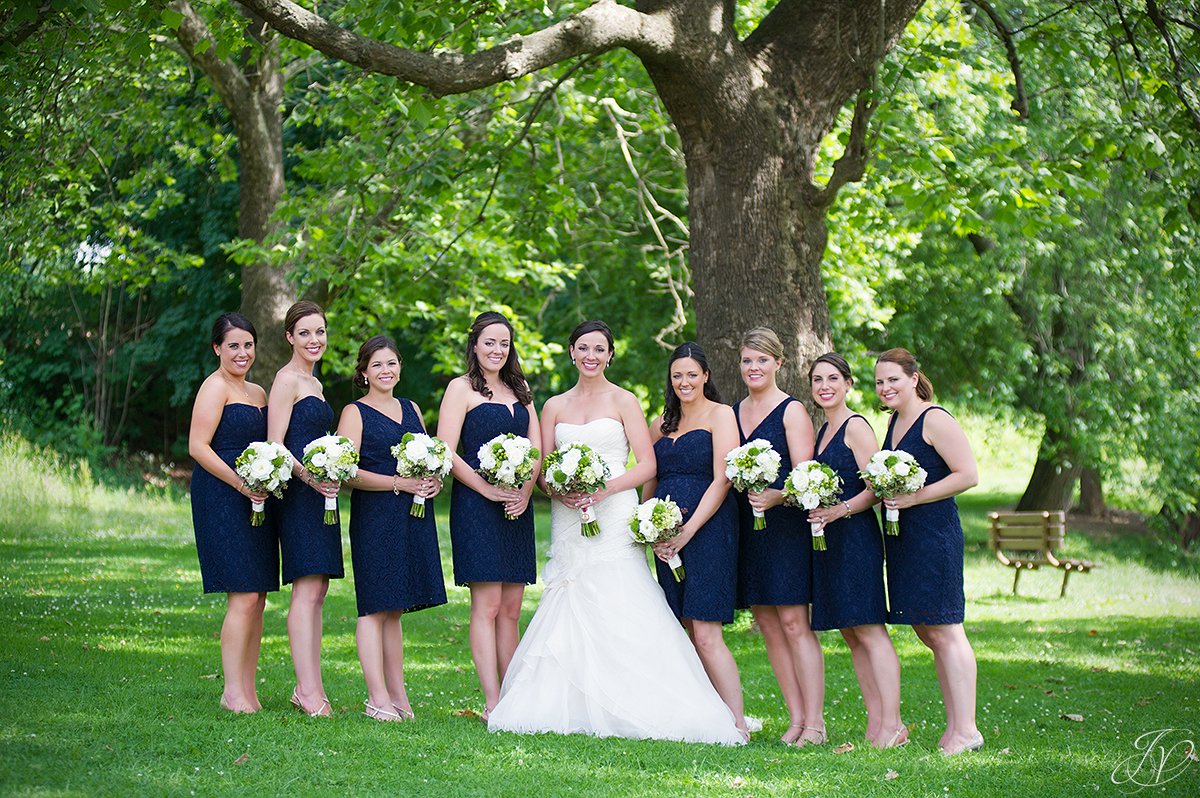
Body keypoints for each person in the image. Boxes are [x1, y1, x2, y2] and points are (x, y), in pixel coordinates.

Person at [488, 321, 743, 745]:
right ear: (571, 352)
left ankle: (647, 700)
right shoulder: (552, 406)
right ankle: (564, 700)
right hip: (570, 516)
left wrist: (601, 488)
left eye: (599, 349)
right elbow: (544, 470)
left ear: (610, 355)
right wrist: (561, 489)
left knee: (623, 595)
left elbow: (646, 465)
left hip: (614, 511)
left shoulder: (625, 401)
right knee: (571, 594)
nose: (591, 355)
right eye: (583, 347)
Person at [876, 347, 982, 755]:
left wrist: (915, 498)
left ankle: (967, 729)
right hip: (905, 540)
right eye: (880, 382)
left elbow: (968, 475)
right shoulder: (895, 423)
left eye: (893, 380)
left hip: (934, 536)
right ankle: (957, 726)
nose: (886, 388)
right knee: (927, 629)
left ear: (914, 378)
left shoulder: (933, 418)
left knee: (946, 629)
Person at [338, 335, 447, 721]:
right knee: (373, 606)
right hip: (375, 515)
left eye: (392, 363)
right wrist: (398, 483)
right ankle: (376, 698)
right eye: (378, 365)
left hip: (412, 516)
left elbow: (430, 457)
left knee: (395, 608)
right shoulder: (355, 412)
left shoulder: (412, 408)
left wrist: (433, 480)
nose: (386, 371)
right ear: (364, 372)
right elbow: (347, 471)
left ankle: (399, 697)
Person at [436, 312, 540, 719]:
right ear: (475, 345)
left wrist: (526, 489)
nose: (498, 350)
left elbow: (535, 446)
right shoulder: (459, 389)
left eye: (504, 343)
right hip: (477, 505)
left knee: (512, 607)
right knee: (489, 605)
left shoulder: (521, 388)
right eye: (490, 342)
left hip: (517, 504)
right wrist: (486, 488)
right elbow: (445, 450)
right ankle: (493, 700)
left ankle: (513, 697)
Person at [647, 341, 750, 741]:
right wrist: (648, 527)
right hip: (664, 534)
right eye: (677, 375)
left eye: (692, 374)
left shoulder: (721, 415)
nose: (684, 382)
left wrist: (689, 529)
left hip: (709, 528)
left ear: (706, 376)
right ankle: (699, 717)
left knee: (706, 631)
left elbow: (723, 477)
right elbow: (650, 478)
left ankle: (736, 722)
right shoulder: (661, 424)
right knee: (679, 627)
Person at [730, 327, 825, 746]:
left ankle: (816, 722)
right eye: (748, 360)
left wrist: (776, 495)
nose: (754, 368)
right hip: (747, 529)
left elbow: (805, 477)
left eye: (762, 360)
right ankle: (795, 718)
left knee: (792, 621)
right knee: (767, 623)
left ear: (778, 363)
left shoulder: (791, 412)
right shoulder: (733, 412)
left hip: (785, 528)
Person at [807, 352, 906, 748]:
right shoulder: (822, 431)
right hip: (829, 539)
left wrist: (840, 509)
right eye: (817, 380)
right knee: (851, 633)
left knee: (869, 629)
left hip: (856, 540)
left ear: (849, 383)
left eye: (833, 378)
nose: (825, 386)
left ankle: (894, 723)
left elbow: (877, 488)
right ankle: (876, 721)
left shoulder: (856, 426)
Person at [188, 312, 275, 713]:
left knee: (257, 596)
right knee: (241, 595)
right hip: (223, 496)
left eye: (247, 345)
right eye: (233, 346)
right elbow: (198, 447)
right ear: (217, 348)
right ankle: (231, 692)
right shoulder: (214, 387)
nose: (242, 353)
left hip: (257, 499)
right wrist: (242, 484)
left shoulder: (258, 393)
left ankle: (247, 689)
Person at [267, 300, 342, 717]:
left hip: (322, 493)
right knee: (306, 588)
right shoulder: (287, 380)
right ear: (290, 338)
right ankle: (308, 692)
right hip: (299, 494)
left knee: (318, 591)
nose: (315, 340)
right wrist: (310, 477)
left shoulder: (315, 383)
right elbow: (275, 444)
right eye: (306, 333)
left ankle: (309, 687)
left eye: (320, 332)